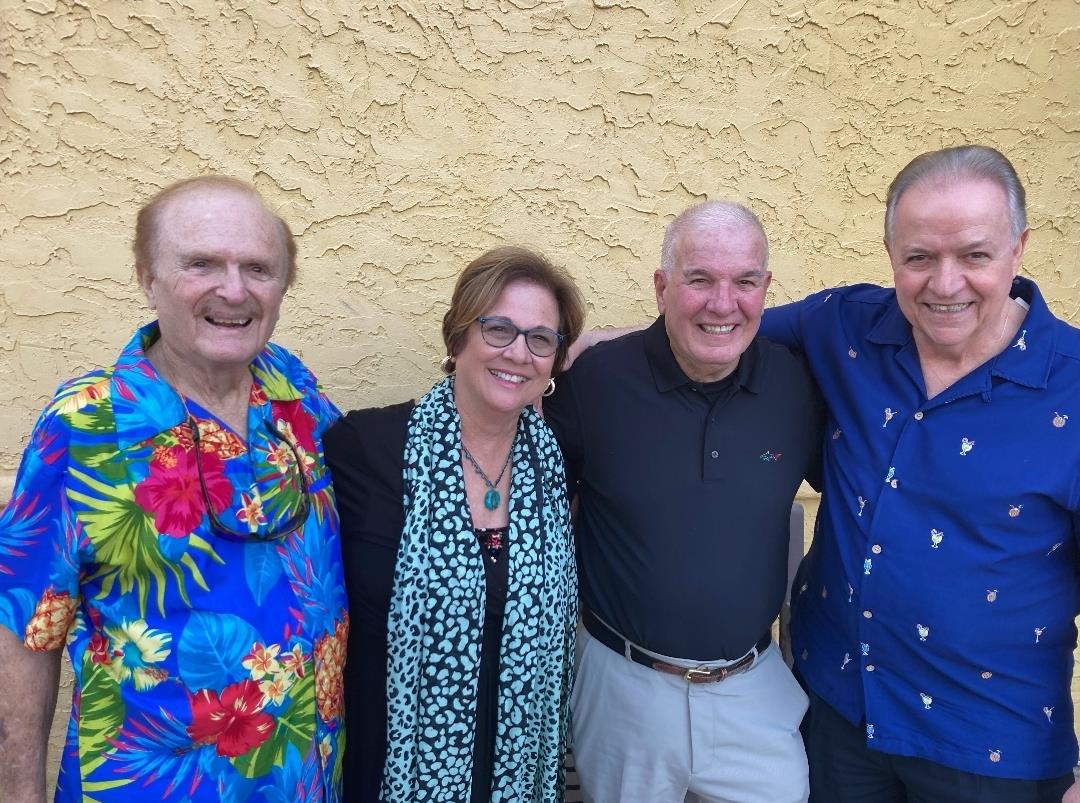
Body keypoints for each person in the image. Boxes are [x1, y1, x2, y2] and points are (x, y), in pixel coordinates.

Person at [0, 176, 349, 801]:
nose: (234, 290)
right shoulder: (85, 425)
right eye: (201, 264)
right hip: (155, 785)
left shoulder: (295, 392)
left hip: (305, 780)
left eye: (258, 268)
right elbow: (23, 632)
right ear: (148, 278)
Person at [760, 145, 1080, 802]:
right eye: (920, 257)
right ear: (890, 255)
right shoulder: (844, 326)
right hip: (836, 715)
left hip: (992, 749)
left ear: (1018, 249)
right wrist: (579, 351)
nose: (945, 283)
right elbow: (714, 331)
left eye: (974, 255)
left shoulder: (1072, 386)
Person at [544, 201, 824, 803]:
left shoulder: (796, 386)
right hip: (624, 686)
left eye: (744, 281)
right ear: (661, 288)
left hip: (753, 689)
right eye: (699, 279)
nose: (723, 303)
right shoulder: (596, 381)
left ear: (766, 289)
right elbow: (523, 489)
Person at [323, 246, 585, 803]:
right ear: (458, 335)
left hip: (520, 771)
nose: (519, 353)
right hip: (392, 763)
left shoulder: (558, 463)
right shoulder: (365, 447)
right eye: (498, 329)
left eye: (541, 339)